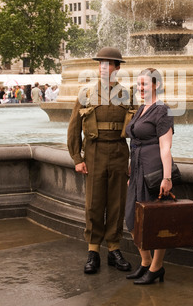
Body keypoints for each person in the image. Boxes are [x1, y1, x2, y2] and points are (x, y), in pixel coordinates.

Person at [67, 47, 135, 275]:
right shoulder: (85, 93)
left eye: (109, 64)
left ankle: (114, 249)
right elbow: (74, 128)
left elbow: (136, 131)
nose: (104, 68)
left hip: (118, 152)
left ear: (117, 68)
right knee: (94, 203)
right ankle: (93, 250)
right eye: (101, 63)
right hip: (94, 153)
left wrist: (132, 161)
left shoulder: (128, 94)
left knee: (117, 203)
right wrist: (77, 157)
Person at [125, 68, 174, 285]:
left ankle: (156, 267)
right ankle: (145, 261)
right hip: (137, 169)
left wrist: (167, 177)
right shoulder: (142, 109)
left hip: (153, 171)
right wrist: (131, 169)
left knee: (156, 222)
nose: (140, 88)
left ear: (155, 85)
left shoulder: (162, 110)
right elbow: (134, 140)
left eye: (144, 84)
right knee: (132, 219)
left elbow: (165, 147)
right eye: (138, 84)